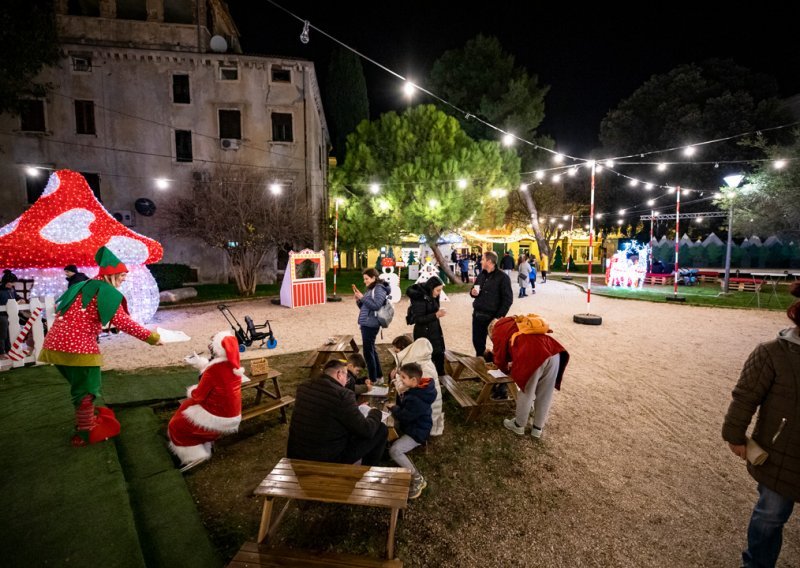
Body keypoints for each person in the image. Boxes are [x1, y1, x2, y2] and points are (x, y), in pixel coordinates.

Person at [38, 247, 162, 446]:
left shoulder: (83, 285)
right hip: (79, 348)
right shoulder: (106, 291)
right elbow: (124, 322)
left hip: (54, 345)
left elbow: (79, 315)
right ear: (112, 275)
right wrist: (152, 337)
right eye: (122, 276)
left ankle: (85, 422)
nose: (123, 280)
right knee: (87, 389)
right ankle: (86, 431)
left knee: (79, 388)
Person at [722, 282, 800, 568]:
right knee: (770, 516)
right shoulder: (773, 353)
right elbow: (745, 395)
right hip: (781, 454)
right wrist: (735, 435)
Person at [168, 331, 247, 468]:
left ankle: (194, 455)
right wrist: (202, 364)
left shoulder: (213, 370)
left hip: (217, 415)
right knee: (187, 410)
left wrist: (191, 390)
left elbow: (199, 395)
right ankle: (203, 445)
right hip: (232, 413)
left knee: (177, 424)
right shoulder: (233, 365)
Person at [287, 359, 387, 465]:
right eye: (347, 376)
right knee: (381, 429)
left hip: (297, 452)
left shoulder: (304, 386)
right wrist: (375, 412)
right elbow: (367, 430)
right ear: (339, 374)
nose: (347, 381)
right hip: (326, 459)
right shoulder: (343, 395)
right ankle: (367, 472)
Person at [491, 315, 569, 439]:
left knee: (526, 391)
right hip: (554, 351)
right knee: (546, 393)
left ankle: (519, 425)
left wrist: (505, 370)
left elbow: (500, 359)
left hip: (532, 354)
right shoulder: (516, 321)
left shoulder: (497, 331)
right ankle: (537, 428)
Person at [388, 362, 436, 499]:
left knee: (394, 450)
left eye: (403, 377)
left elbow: (405, 416)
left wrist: (394, 408)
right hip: (415, 425)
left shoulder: (416, 398)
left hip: (418, 432)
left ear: (414, 380)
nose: (401, 379)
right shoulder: (421, 388)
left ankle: (417, 478)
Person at [390, 334, 444, 436]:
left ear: (404, 350)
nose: (396, 354)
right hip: (427, 406)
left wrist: (396, 377)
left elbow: (402, 388)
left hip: (426, 417)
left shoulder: (416, 365)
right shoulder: (421, 359)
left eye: (397, 352)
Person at [470, 251, 513, 358]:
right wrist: (472, 292)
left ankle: (501, 367)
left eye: (483, 259)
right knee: (478, 344)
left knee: (500, 345)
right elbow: (474, 290)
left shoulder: (503, 278)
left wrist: (498, 317)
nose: (481, 261)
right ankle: (481, 366)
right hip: (477, 315)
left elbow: (508, 299)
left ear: (489, 261)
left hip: (492, 318)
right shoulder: (481, 275)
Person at [352, 268, 390, 384]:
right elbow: (366, 308)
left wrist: (362, 297)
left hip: (371, 324)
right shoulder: (372, 288)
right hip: (367, 322)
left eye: (366, 279)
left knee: (368, 352)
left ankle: (373, 379)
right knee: (371, 350)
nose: (365, 281)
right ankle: (378, 377)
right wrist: (359, 300)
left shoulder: (379, 288)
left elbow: (377, 306)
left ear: (374, 277)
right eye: (364, 279)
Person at [406, 275, 446, 375]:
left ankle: (440, 377)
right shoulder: (419, 299)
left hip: (435, 330)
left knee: (439, 355)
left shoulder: (433, 295)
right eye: (438, 290)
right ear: (431, 288)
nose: (439, 293)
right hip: (423, 333)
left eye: (440, 290)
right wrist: (436, 315)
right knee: (425, 359)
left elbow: (433, 309)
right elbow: (418, 319)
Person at [0, 270, 22, 358]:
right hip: (2, 315)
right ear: (6, 282)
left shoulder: (12, 289)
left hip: (11, 315)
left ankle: (9, 350)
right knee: (2, 334)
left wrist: (21, 299)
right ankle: (1, 352)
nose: (13, 285)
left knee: (10, 333)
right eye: (12, 283)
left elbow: (16, 296)